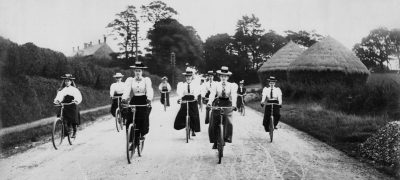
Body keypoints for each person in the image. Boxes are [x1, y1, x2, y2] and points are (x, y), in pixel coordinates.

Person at [207, 66, 238, 149]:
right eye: (222, 76)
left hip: (227, 103)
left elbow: (234, 95)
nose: (223, 77)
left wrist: (234, 105)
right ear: (220, 76)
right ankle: (215, 140)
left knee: (228, 120)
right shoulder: (216, 85)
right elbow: (212, 94)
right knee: (214, 120)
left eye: (225, 76)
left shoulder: (232, 85)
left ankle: (226, 137)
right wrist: (209, 103)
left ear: (227, 77)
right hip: (218, 102)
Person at [122, 61, 154, 140]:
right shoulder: (130, 80)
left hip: (143, 100)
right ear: (134, 71)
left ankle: (141, 134)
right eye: (136, 71)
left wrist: (149, 99)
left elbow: (149, 89)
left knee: (142, 117)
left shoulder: (146, 80)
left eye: (139, 71)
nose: (138, 72)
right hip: (134, 99)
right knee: (130, 119)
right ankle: (131, 139)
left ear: (142, 71)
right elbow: (127, 90)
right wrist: (124, 98)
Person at [53, 74, 82, 138]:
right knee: (62, 116)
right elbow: (59, 96)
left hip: (72, 104)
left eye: (68, 81)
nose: (67, 82)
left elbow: (78, 96)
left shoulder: (74, 89)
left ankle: (74, 131)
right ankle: (65, 131)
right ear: (64, 82)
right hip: (65, 104)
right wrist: (57, 100)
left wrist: (76, 100)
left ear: (71, 82)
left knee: (73, 117)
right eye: (66, 81)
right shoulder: (62, 89)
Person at [174, 68, 201, 136]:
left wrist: (195, 97)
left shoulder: (195, 84)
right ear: (185, 77)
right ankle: (185, 124)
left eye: (189, 76)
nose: (188, 77)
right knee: (182, 112)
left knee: (194, 114)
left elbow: (196, 91)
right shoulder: (182, 84)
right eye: (187, 76)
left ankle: (193, 129)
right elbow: (180, 93)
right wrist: (179, 98)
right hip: (185, 99)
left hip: (192, 99)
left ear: (192, 77)